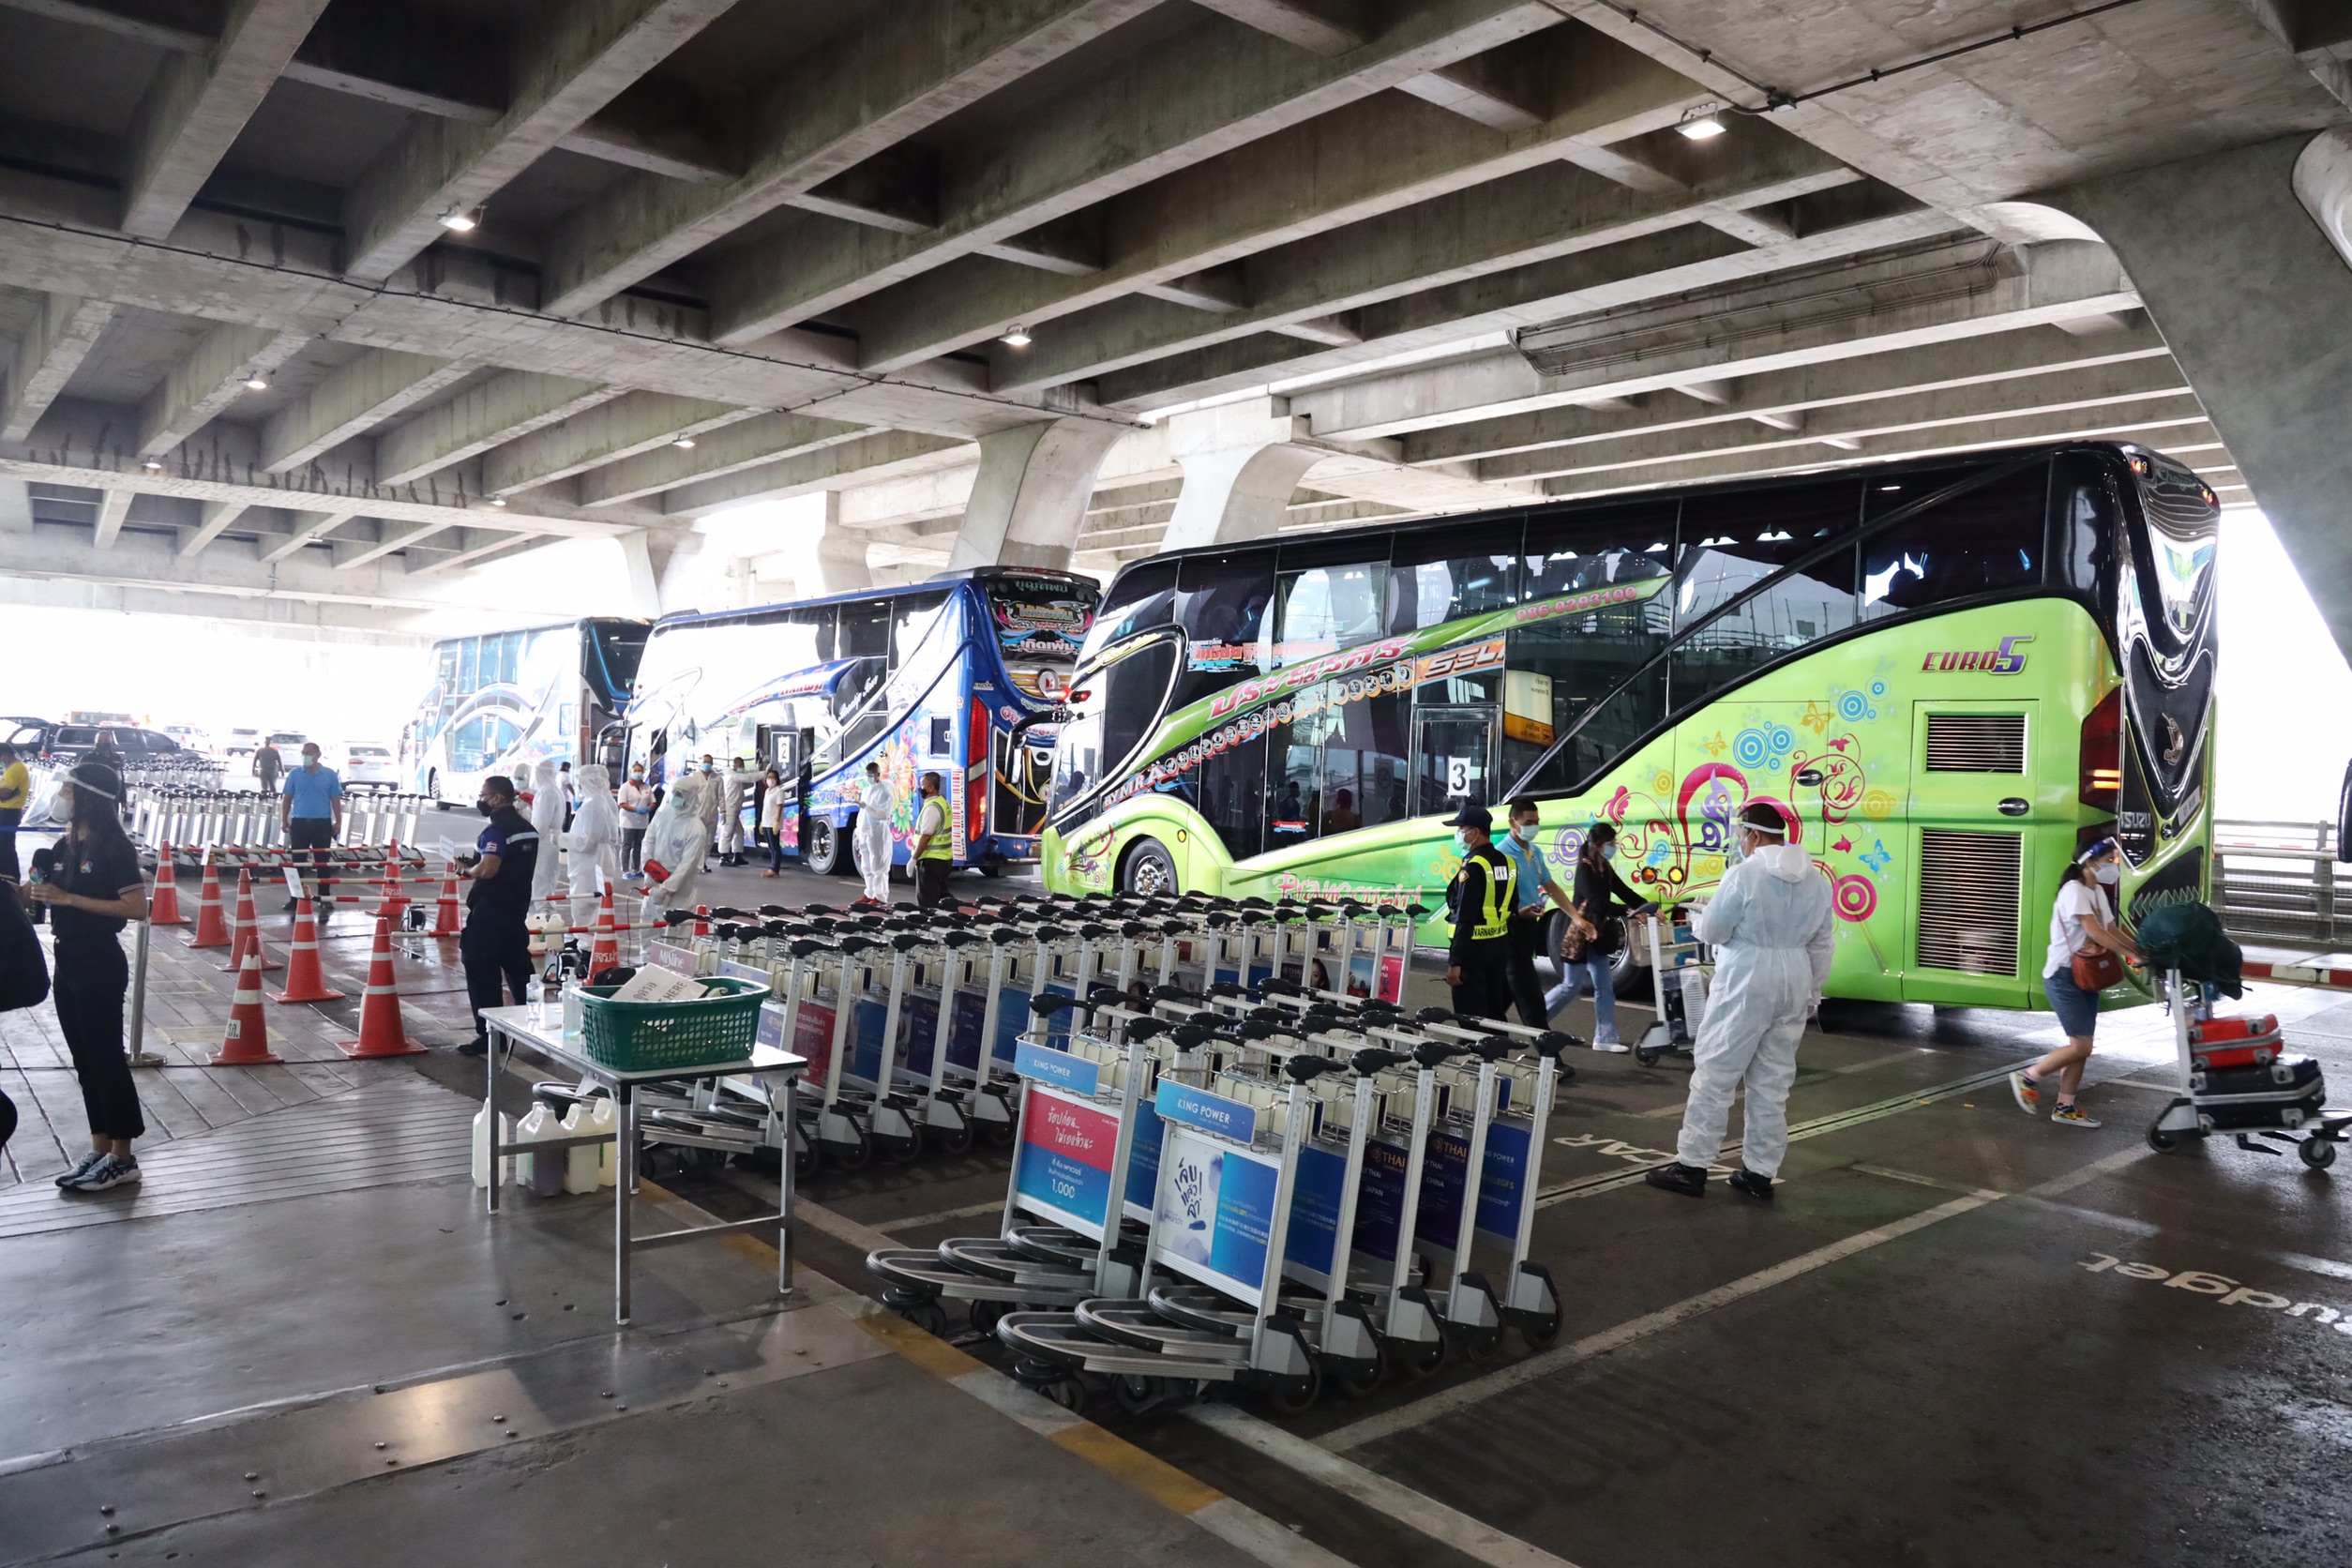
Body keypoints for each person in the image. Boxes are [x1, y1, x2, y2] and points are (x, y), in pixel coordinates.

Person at [1646, 803, 1833, 1201]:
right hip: (1795, 977)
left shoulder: (1743, 875)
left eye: (1741, 835)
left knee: (1716, 1071)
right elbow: (1822, 943)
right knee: (1773, 1081)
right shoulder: (1817, 881)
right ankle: (1759, 1174)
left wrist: (1697, 919)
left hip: (1747, 976)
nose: (1740, 842)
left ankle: (1692, 1167)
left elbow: (1714, 930)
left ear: (1754, 835)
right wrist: (1813, 992)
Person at [26, 761, 149, 1192]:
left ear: (88, 797)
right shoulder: (64, 846)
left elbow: (136, 908)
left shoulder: (114, 847)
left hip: (99, 961)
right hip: (69, 959)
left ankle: (123, 1157)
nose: (61, 796)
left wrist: (68, 898)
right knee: (84, 1061)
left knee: (106, 1059)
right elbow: (45, 895)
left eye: (68, 790)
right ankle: (100, 1148)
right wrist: (25, 892)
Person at [2013, 837, 2141, 1129]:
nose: (2114, 865)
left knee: (2081, 1046)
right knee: (2082, 1046)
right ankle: (2029, 1076)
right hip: (2063, 976)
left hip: (2086, 975)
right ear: (2090, 862)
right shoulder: (2074, 890)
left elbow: (2111, 929)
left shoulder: (2097, 891)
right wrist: (2132, 955)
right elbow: (2094, 931)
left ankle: (2065, 1107)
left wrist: (2141, 949)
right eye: (2110, 859)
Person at [1545, 822, 1654, 1051]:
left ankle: (1605, 1039)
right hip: (1580, 935)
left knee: (1604, 987)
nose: (1614, 847)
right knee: (1571, 985)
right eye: (1610, 843)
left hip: (1598, 936)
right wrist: (1628, 911)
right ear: (1597, 845)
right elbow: (1597, 902)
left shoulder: (1604, 867)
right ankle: (1536, 1017)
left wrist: (1647, 907)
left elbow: (1624, 891)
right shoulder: (1584, 869)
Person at [456, 776, 539, 1058]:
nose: (481, 800)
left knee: (482, 971)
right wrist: (477, 864)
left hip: (489, 914)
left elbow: (489, 869)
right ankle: (537, 1027)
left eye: (484, 795)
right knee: (520, 971)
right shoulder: (528, 830)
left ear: (498, 798)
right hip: (516, 911)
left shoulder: (495, 831)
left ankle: (490, 1036)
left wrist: (467, 870)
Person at [1496, 797, 1576, 1030]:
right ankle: (1546, 1047)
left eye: (1537, 822)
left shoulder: (1534, 851)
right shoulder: (1502, 855)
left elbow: (1551, 887)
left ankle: (1471, 1042)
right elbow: (1493, 898)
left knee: (1498, 1001)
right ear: (1513, 822)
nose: (1534, 827)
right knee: (1531, 999)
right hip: (1510, 930)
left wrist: (1576, 917)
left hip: (1529, 929)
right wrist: (1517, 913)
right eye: (1528, 822)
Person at [1441, 804, 1516, 1020]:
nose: (1459, 833)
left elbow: (1465, 917)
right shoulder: (1508, 863)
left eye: (1461, 829)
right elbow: (1513, 907)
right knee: (1494, 1012)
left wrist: (1455, 962)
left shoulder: (1473, 867)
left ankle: (1481, 1044)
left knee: (1470, 1016)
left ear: (1475, 833)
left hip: (1472, 952)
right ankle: (1497, 1042)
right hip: (1499, 949)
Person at [279, 741, 342, 911]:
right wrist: (284, 820)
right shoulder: (294, 774)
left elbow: (335, 800)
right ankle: (295, 898)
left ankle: (324, 897)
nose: (305, 756)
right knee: (297, 862)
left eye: (308, 753)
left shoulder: (329, 775)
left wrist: (338, 821)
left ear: (317, 755)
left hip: (322, 823)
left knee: (323, 863)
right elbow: (287, 799)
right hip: (300, 823)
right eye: (303, 753)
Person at [565, 763, 622, 931]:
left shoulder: (594, 805)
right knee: (593, 898)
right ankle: (585, 937)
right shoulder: (596, 801)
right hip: (596, 858)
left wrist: (564, 839)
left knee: (586, 900)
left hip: (591, 861)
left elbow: (589, 841)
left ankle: (586, 940)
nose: (579, 786)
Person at [527, 759, 566, 904]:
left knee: (541, 878)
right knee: (548, 877)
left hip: (544, 839)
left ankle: (543, 911)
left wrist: (531, 840)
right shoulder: (555, 790)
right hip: (552, 838)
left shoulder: (546, 792)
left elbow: (541, 822)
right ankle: (543, 910)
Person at [855, 761, 895, 905]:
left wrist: (867, 807)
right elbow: (862, 815)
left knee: (879, 864)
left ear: (878, 775)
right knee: (866, 865)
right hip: (865, 831)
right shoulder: (866, 790)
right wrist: (858, 832)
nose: (869, 778)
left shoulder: (884, 792)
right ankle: (870, 892)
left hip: (877, 832)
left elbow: (883, 814)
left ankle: (880, 896)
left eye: (871, 775)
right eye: (867, 775)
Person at [912, 771, 952, 910]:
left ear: (930, 788)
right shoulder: (942, 802)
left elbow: (926, 836)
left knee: (927, 902)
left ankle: (929, 922)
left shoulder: (932, 808)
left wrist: (914, 858)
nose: (919, 788)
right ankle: (955, 919)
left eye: (922, 785)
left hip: (931, 861)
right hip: (943, 859)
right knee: (943, 898)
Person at [617, 762, 653, 877]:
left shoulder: (647, 787)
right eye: (635, 771)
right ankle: (625, 870)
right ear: (631, 772)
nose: (638, 773)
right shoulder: (625, 787)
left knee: (639, 846)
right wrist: (635, 809)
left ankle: (636, 869)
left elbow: (653, 801)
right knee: (626, 846)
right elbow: (622, 803)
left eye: (640, 771)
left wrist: (648, 808)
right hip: (628, 821)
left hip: (642, 822)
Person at [0, 740, 25, 888]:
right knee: (5, 846)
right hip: (9, 811)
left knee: (5, 847)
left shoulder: (15, 770)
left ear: (5, 754)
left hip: (9, 812)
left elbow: (5, 793)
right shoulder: (15, 768)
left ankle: (10, 877)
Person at [718, 757, 751, 867]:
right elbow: (749, 777)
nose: (742, 767)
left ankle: (737, 855)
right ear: (735, 765)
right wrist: (763, 773)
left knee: (739, 831)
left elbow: (749, 773)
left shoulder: (736, 775)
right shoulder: (733, 776)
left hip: (735, 809)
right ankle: (723, 856)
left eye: (743, 765)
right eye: (740, 765)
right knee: (728, 831)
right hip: (730, 808)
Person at [758, 765, 786, 877]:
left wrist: (777, 822)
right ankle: (773, 866)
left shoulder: (779, 791)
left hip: (773, 822)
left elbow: (780, 807)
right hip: (766, 822)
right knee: (770, 846)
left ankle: (775, 869)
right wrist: (762, 822)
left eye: (773, 777)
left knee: (775, 846)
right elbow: (766, 807)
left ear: (777, 779)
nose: (771, 779)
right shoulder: (767, 791)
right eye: (769, 777)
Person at [251, 737, 282, 802]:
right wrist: (282, 770)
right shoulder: (274, 751)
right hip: (272, 770)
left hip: (263, 769)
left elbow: (255, 760)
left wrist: (253, 770)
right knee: (272, 785)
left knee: (264, 786)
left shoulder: (260, 750)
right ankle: (273, 800)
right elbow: (279, 761)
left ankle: (264, 799)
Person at [557, 761, 577, 833]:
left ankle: (561, 830)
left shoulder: (558, 775)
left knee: (561, 816)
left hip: (559, 799)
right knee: (567, 816)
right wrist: (575, 795)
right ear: (566, 767)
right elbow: (569, 786)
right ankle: (565, 831)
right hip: (565, 799)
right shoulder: (566, 775)